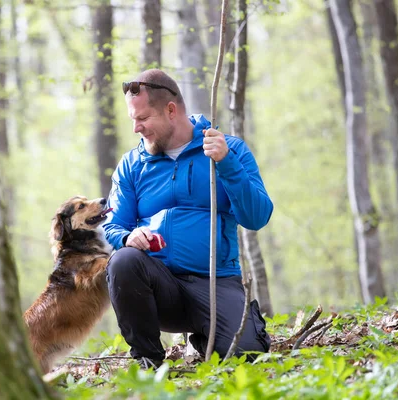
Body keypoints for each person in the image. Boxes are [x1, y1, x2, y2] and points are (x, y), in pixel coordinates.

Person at [103, 69, 273, 369]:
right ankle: (149, 361)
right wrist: (128, 238)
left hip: (216, 283)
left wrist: (227, 165)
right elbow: (113, 225)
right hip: (160, 287)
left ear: (171, 110)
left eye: (142, 118)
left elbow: (257, 217)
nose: (136, 128)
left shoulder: (229, 149)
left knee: (248, 357)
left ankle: (208, 336)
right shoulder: (132, 164)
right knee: (123, 261)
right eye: (133, 119)